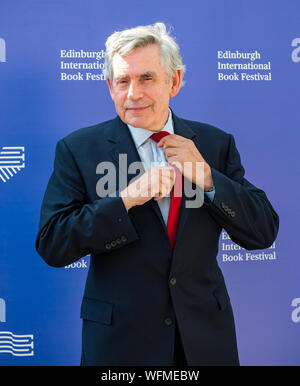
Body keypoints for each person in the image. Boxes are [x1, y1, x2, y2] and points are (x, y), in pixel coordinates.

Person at [36, 22, 279, 366]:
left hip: (204, 343)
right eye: (123, 81)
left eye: (146, 78)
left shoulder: (214, 144)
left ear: (174, 81)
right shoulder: (78, 149)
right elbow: (53, 242)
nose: (133, 93)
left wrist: (209, 179)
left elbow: (263, 231)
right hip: (121, 345)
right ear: (110, 87)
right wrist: (125, 200)